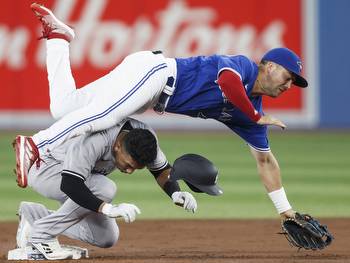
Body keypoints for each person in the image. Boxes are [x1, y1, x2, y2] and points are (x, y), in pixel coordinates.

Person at [15, 3, 307, 225]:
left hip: (150, 93)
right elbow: (227, 83)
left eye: (295, 82)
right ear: (268, 65)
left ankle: (58, 38)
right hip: (156, 75)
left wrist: (285, 210)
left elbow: (266, 161)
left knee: (65, 107)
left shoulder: (250, 113)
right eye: (288, 75)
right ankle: (38, 145)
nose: (289, 83)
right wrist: (256, 118)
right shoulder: (243, 67)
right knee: (102, 117)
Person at [14, 114, 225, 260]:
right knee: (105, 188)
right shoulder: (97, 139)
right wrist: (107, 208)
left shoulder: (144, 138)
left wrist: (175, 192)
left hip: (81, 177)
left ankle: (36, 218)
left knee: (106, 237)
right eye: (129, 165)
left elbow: (161, 170)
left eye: (137, 168)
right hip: (46, 169)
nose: (130, 171)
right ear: (117, 145)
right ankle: (41, 235)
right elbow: (70, 184)